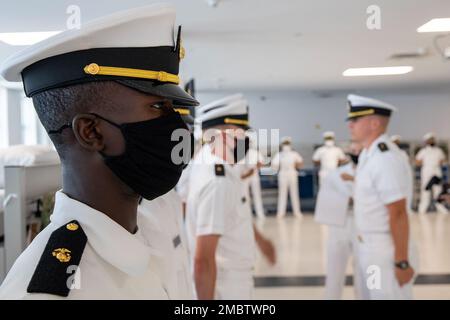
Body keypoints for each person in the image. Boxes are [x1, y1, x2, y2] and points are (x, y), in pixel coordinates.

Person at [0, 4, 199, 299]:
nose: (177, 127)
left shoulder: (137, 236)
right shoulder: (49, 291)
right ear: (91, 132)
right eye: (158, 106)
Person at [186, 95, 275, 300]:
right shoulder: (218, 179)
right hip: (225, 286)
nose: (246, 138)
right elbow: (203, 261)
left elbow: (230, 215)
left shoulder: (213, 164)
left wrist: (260, 241)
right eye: (241, 131)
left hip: (229, 279)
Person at [347, 94, 417, 300]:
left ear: (374, 123)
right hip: (370, 249)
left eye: (355, 120)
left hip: (385, 252)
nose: (350, 125)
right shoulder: (370, 155)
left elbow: (397, 211)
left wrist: (402, 261)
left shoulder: (385, 159)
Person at [314, 141, 363, 299]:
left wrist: (355, 195)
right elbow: (325, 200)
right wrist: (347, 201)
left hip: (364, 227)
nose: (357, 153)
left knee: (365, 275)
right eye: (354, 149)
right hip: (339, 225)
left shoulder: (372, 172)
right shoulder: (336, 174)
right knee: (334, 273)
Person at [415, 133, 448, 214]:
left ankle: (440, 207)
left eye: (432, 139)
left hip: (436, 171)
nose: (431, 141)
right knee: (425, 190)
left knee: (438, 190)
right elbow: (417, 161)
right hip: (427, 171)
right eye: (429, 140)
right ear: (426, 141)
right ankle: (422, 209)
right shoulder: (423, 151)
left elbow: (443, 161)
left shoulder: (438, 150)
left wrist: (440, 163)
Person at [271, 137, 303, 219]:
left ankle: (297, 212)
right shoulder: (279, 154)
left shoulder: (294, 154)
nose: (286, 145)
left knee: (294, 193)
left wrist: (296, 165)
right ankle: (281, 213)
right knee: (282, 194)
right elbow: (274, 165)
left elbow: (300, 163)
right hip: (283, 174)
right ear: (282, 145)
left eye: (287, 143)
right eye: (285, 143)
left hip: (292, 174)